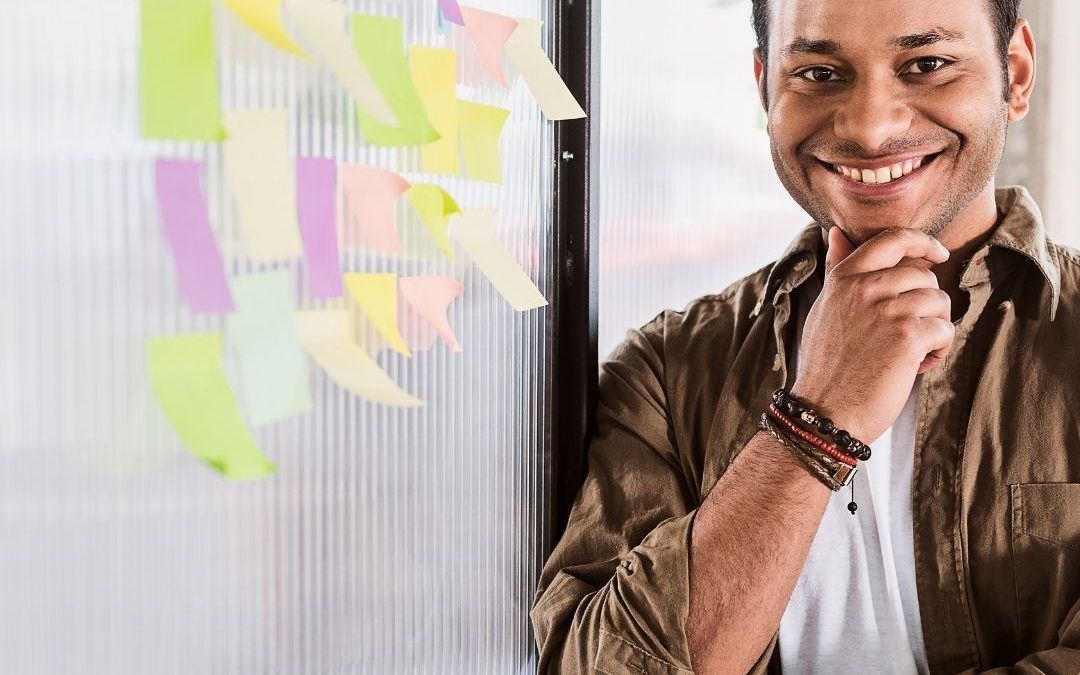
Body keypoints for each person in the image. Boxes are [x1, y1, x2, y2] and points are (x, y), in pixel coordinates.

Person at [530, 0, 1080, 672]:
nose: (872, 129)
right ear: (764, 87)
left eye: (928, 65)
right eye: (819, 74)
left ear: (1016, 74)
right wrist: (814, 422)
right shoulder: (667, 373)